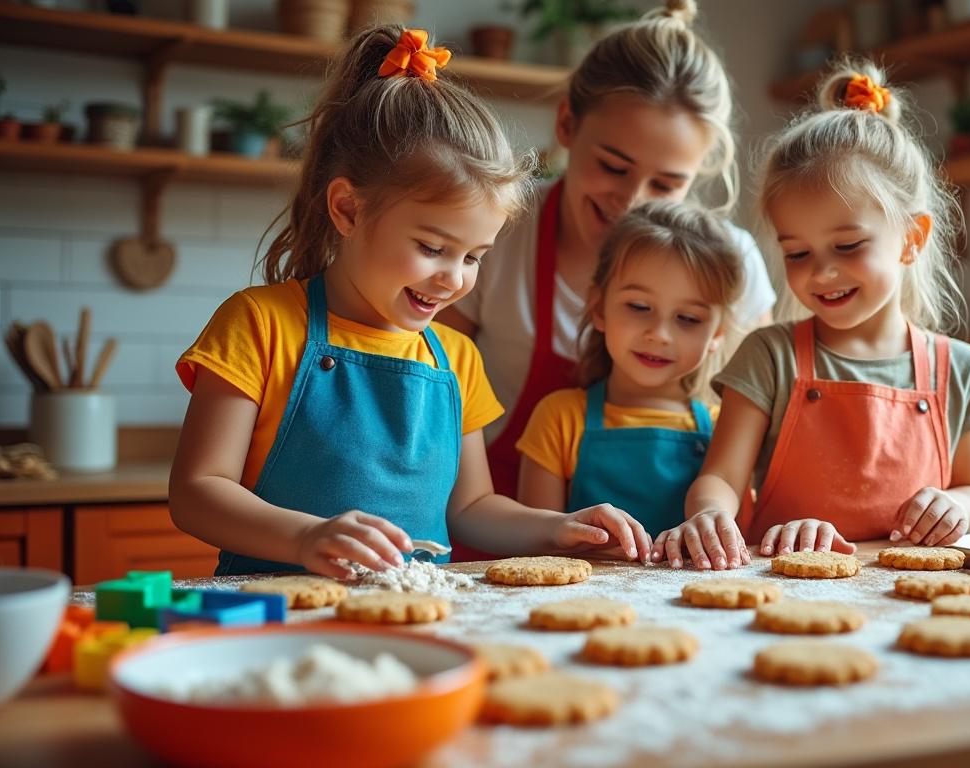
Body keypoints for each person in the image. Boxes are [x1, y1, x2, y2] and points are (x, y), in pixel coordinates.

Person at [170, 27, 652, 578]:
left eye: (474, 257)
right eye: (432, 248)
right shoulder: (259, 324)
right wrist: (307, 538)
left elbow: (471, 511)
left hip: (420, 614)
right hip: (281, 616)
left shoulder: (457, 358)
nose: (453, 279)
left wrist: (557, 528)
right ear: (349, 210)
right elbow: (197, 491)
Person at [655, 60, 970, 570]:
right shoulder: (769, 356)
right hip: (785, 592)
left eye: (847, 245)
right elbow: (722, 478)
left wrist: (958, 507)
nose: (821, 274)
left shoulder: (963, 369)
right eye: (797, 253)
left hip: (901, 597)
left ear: (912, 238)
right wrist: (710, 514)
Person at [441, 0, 776, 503]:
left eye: (666, 183)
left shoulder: (732, 263)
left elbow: (758, 433)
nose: (631, 201)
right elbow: (433, 388)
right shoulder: (499, 230)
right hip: (493, 522)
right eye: (614, 167)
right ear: (567, 125)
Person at [516, 201, 744, 536]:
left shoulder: (725, 430)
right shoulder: (558, 418)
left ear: (717, 333)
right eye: (639, 307)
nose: (660, 334)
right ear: (599, 307)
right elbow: (538, 550)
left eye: (688, 319)